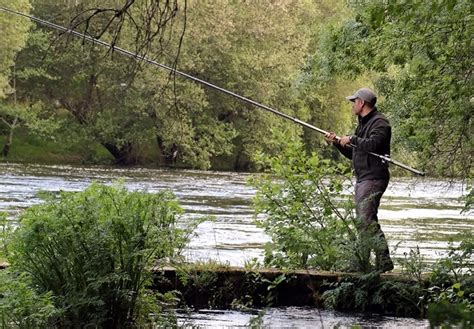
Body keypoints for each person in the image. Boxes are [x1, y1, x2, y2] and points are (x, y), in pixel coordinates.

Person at [325, 87, 394, 272]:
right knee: (366, 220)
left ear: (361, 103)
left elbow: (372, 144)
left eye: (354, 102)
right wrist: (338, 144)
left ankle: (373, 262)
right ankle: (377, 262)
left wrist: (352, 139)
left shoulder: (381, 123)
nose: (352, 105)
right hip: (364, 178)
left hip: (374, 178)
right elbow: (356, 152)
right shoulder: (363, 123)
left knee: (365, 219)